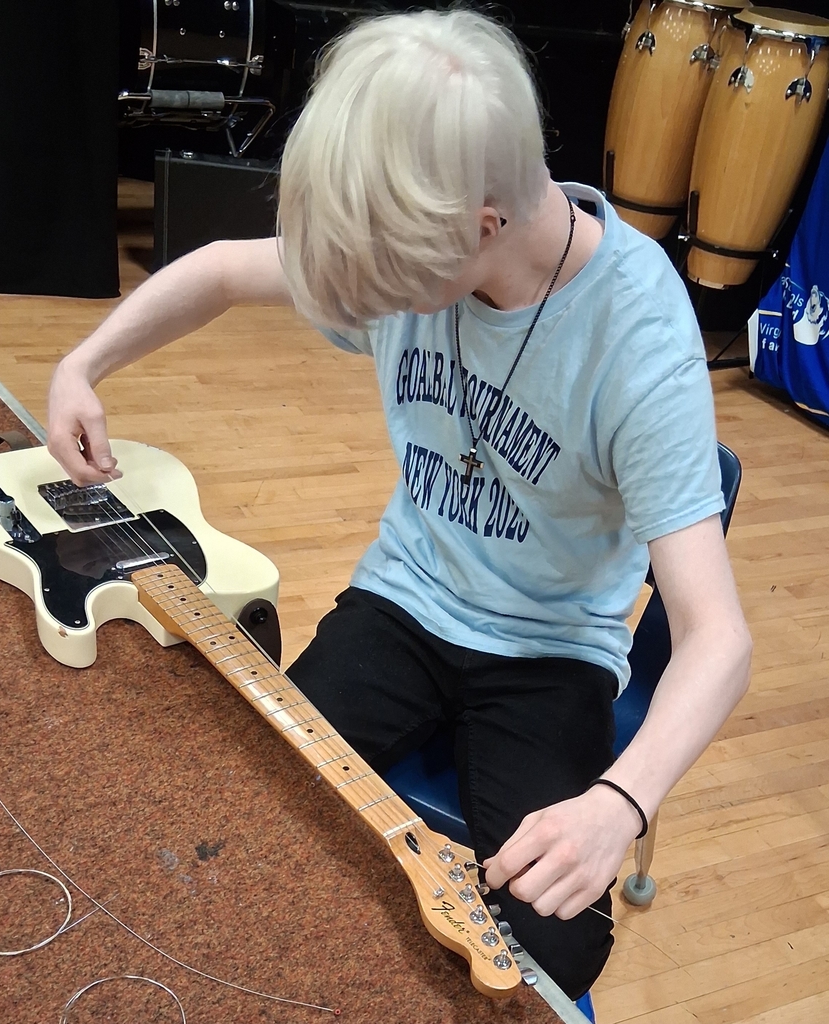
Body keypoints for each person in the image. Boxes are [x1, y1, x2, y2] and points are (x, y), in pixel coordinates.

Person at [46, 8, 752, 1000]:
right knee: (240, 826)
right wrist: (84, 364)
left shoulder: (641, 346)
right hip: (401, 603)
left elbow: (717, 635)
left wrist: (618, 804)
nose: (360, 303)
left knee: (551, 953)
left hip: (548, 650)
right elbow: (219, 269)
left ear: (481, 230)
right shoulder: (422, 240)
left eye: (382, 280)